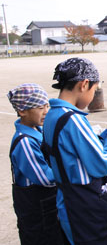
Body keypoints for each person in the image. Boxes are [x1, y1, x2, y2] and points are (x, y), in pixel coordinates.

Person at [43, 58, 107, 245]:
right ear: (84, 84)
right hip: (85, 208)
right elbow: (101, 164)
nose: (93, 97)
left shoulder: (53, 115)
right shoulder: (72, 119)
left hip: (68, 203)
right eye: (94, 91)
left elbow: (77, 150)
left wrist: (106, 134)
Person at [8, 83, 64, 245]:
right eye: (40, 108)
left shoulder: (38, 131)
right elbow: (45, 178)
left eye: (47, 106)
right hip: (36, 211)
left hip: (48, 207)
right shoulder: (24, 141)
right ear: (22, 111)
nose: (46, 111)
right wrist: (69, 168)